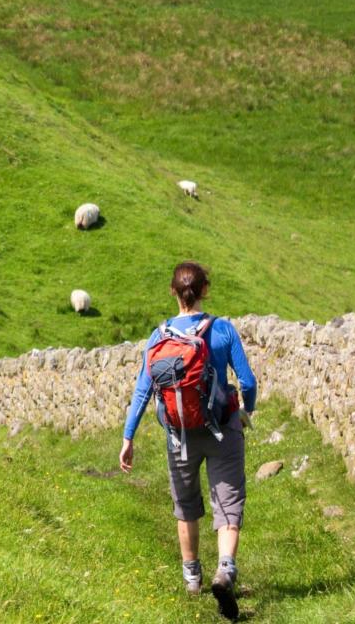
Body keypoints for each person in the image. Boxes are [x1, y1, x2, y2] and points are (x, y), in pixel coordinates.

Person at [118, 261, 257, 622]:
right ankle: (225, 570)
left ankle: (192, 577)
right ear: (205, 290)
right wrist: (246, 411)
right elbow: (248, 381)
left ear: (173, 293)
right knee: (228, 501)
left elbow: (143, 390)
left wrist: (128, 436)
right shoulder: (223, 330)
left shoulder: (158, 336)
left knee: (186, 503)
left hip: (179, 434)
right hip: (223, 428)